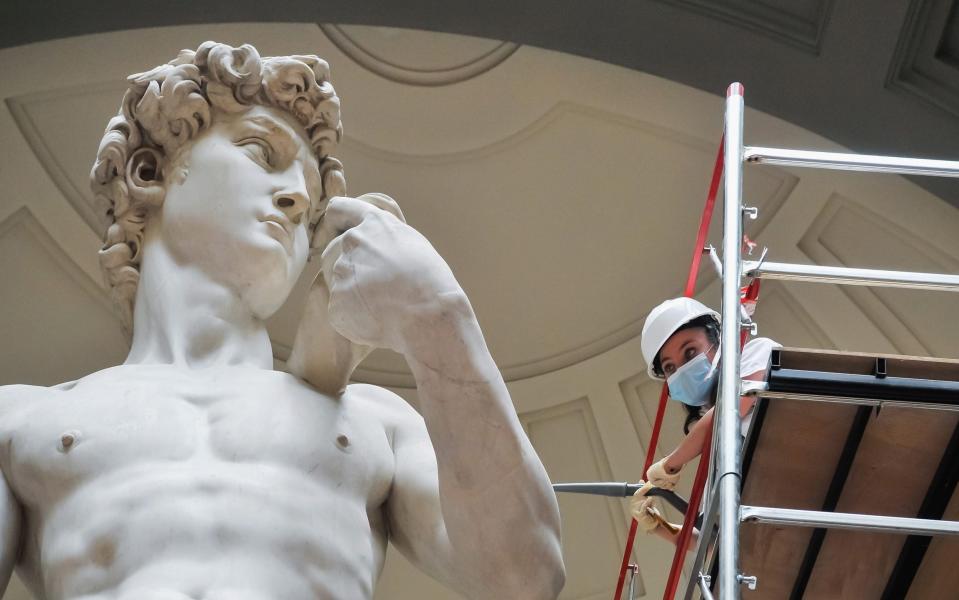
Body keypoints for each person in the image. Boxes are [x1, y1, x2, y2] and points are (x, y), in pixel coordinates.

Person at [0, 42, 565, 600]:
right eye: (261, 152)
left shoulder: (375, 423)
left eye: (312, 194)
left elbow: (524, 577)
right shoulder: (22, 419)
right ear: (151, 171)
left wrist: (436, 315)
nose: (296, 197)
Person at [628, 297, 779, 545]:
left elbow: (732, 409)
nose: (682, 369)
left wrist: (671, 464)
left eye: (690, 352)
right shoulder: (719, 459)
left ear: (717, 339)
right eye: (669, 368)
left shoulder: (758, 352)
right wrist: (656, 525)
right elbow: (711, 541)